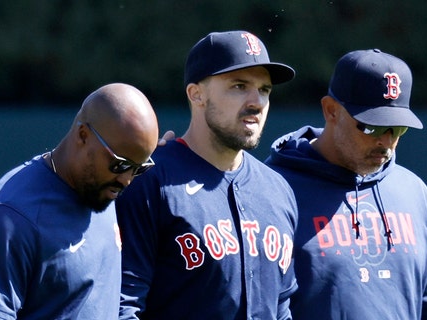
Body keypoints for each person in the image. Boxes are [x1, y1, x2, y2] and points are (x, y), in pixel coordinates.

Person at [116, 30, 299, 319]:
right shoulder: (150, 181)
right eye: (239, 86)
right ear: (196, 94)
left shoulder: (278, 190)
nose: (256, 102)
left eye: (264, 89)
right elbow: (123, 305)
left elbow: (281, 305)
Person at [265, 49, 427, 319]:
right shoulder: (270, 190)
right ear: (331, 111)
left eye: (398, 129)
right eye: (372, 127)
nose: (386, 141)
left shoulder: (413, 192)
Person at [0, 83, 159, 319]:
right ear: (83, 135)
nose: (127, 180)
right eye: (120, 164)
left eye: (139, 169)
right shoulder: (7, 217)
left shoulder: (102, 190)